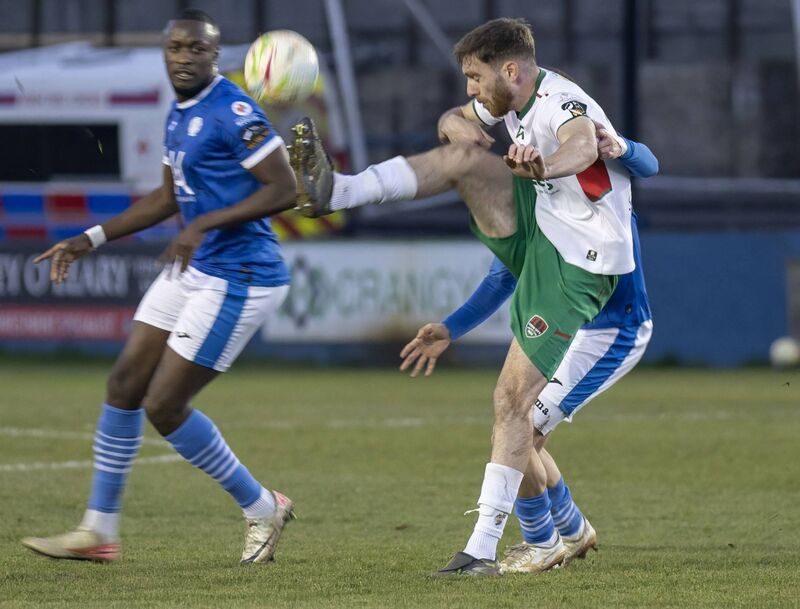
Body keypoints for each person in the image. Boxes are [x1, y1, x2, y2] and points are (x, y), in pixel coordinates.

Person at [292, 17, 637, 576]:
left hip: (579, 264)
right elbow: (457, 121)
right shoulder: (515, 96)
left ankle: (488, 548)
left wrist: (544, 165)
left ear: (510, 70)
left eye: (476, 78)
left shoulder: (563, 103)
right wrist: (454, 121)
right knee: (461, 161)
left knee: (512, 404)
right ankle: (337, 191)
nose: (471, 89)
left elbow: (579, 146)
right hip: (544, 229)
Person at [21, 9, 298, 565]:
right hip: (196, 269)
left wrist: (202, 225)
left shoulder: (235, 111)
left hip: (241, 275)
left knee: (165, 406)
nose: (184, 58)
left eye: (197, 49)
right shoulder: (179, 111)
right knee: (124, 383)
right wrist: (91, 238)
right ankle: (98, 531)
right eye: (176, 48)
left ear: (215, 56)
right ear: (164, 52)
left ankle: (262, 506)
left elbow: (284, 189)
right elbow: (167, 197)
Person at [399, 132, 658, 573]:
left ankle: (543, 542)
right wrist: (450, 328)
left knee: (520, 428)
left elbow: (648, 162)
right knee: (520, 430)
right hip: (572, 327)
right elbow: (502, 276)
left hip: (612, 332)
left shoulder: (594, 168)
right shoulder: (540, 196)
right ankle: (570, 530)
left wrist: (621, 146)